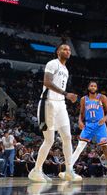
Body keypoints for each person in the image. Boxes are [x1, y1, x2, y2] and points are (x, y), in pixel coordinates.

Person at [28, 42, 80, 182]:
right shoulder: (52, 63)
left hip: (61, 105)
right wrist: (66, 94)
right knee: (49, 140)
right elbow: (47, 82)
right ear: (58, 51)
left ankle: (69, 170)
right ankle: (36, 170)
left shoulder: (66, 69)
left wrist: (65, 96)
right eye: (64, 49)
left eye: (69, 49)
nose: (67, 51)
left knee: (67, 137)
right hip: (48, 103)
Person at [62, 80, 107, 181]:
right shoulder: (84, 99)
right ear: (88, 88)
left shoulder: (102, 97)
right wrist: (80, 121)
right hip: (88, 125)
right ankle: (68, 170)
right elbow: (81, 113)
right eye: (91, 86)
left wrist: (105, 118)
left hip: (100, 125)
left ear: (96, 88)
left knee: (105, 149)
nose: (93, 87)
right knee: (79, 147)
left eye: (95, 86)